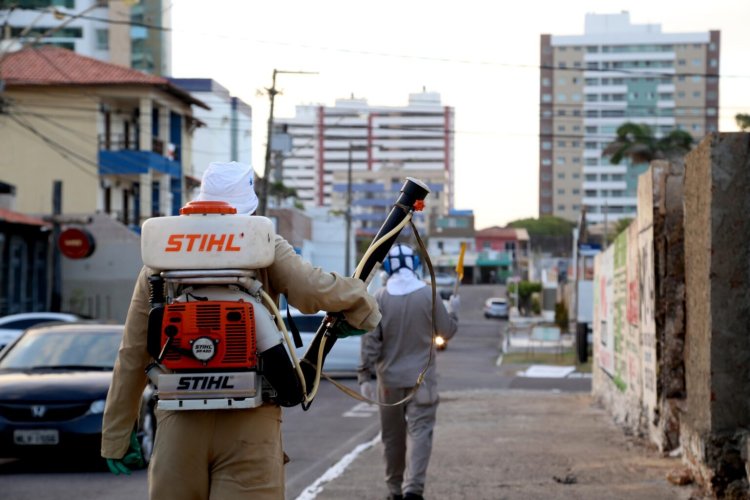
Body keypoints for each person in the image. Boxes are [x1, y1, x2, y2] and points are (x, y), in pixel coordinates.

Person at [101, 161, 381, 500]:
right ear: (249, 204)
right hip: (251, 419)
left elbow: (132, 350)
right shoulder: (259, 242)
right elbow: (313, 290)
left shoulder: (162, 253)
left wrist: (117, 433)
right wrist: (360, 305)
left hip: (179, 420)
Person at [359, 243, 458, 500]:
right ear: (415, 265)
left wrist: (364, 376)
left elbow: (371, 343)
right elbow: (446, 332)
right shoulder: (429, 294)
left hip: (388, 384)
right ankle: (413, 489)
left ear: (388, 268)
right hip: (422, 383)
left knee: (392, 438)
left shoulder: (379, 298)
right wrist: (453, 310)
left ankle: (394, 490)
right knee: (421, 432)